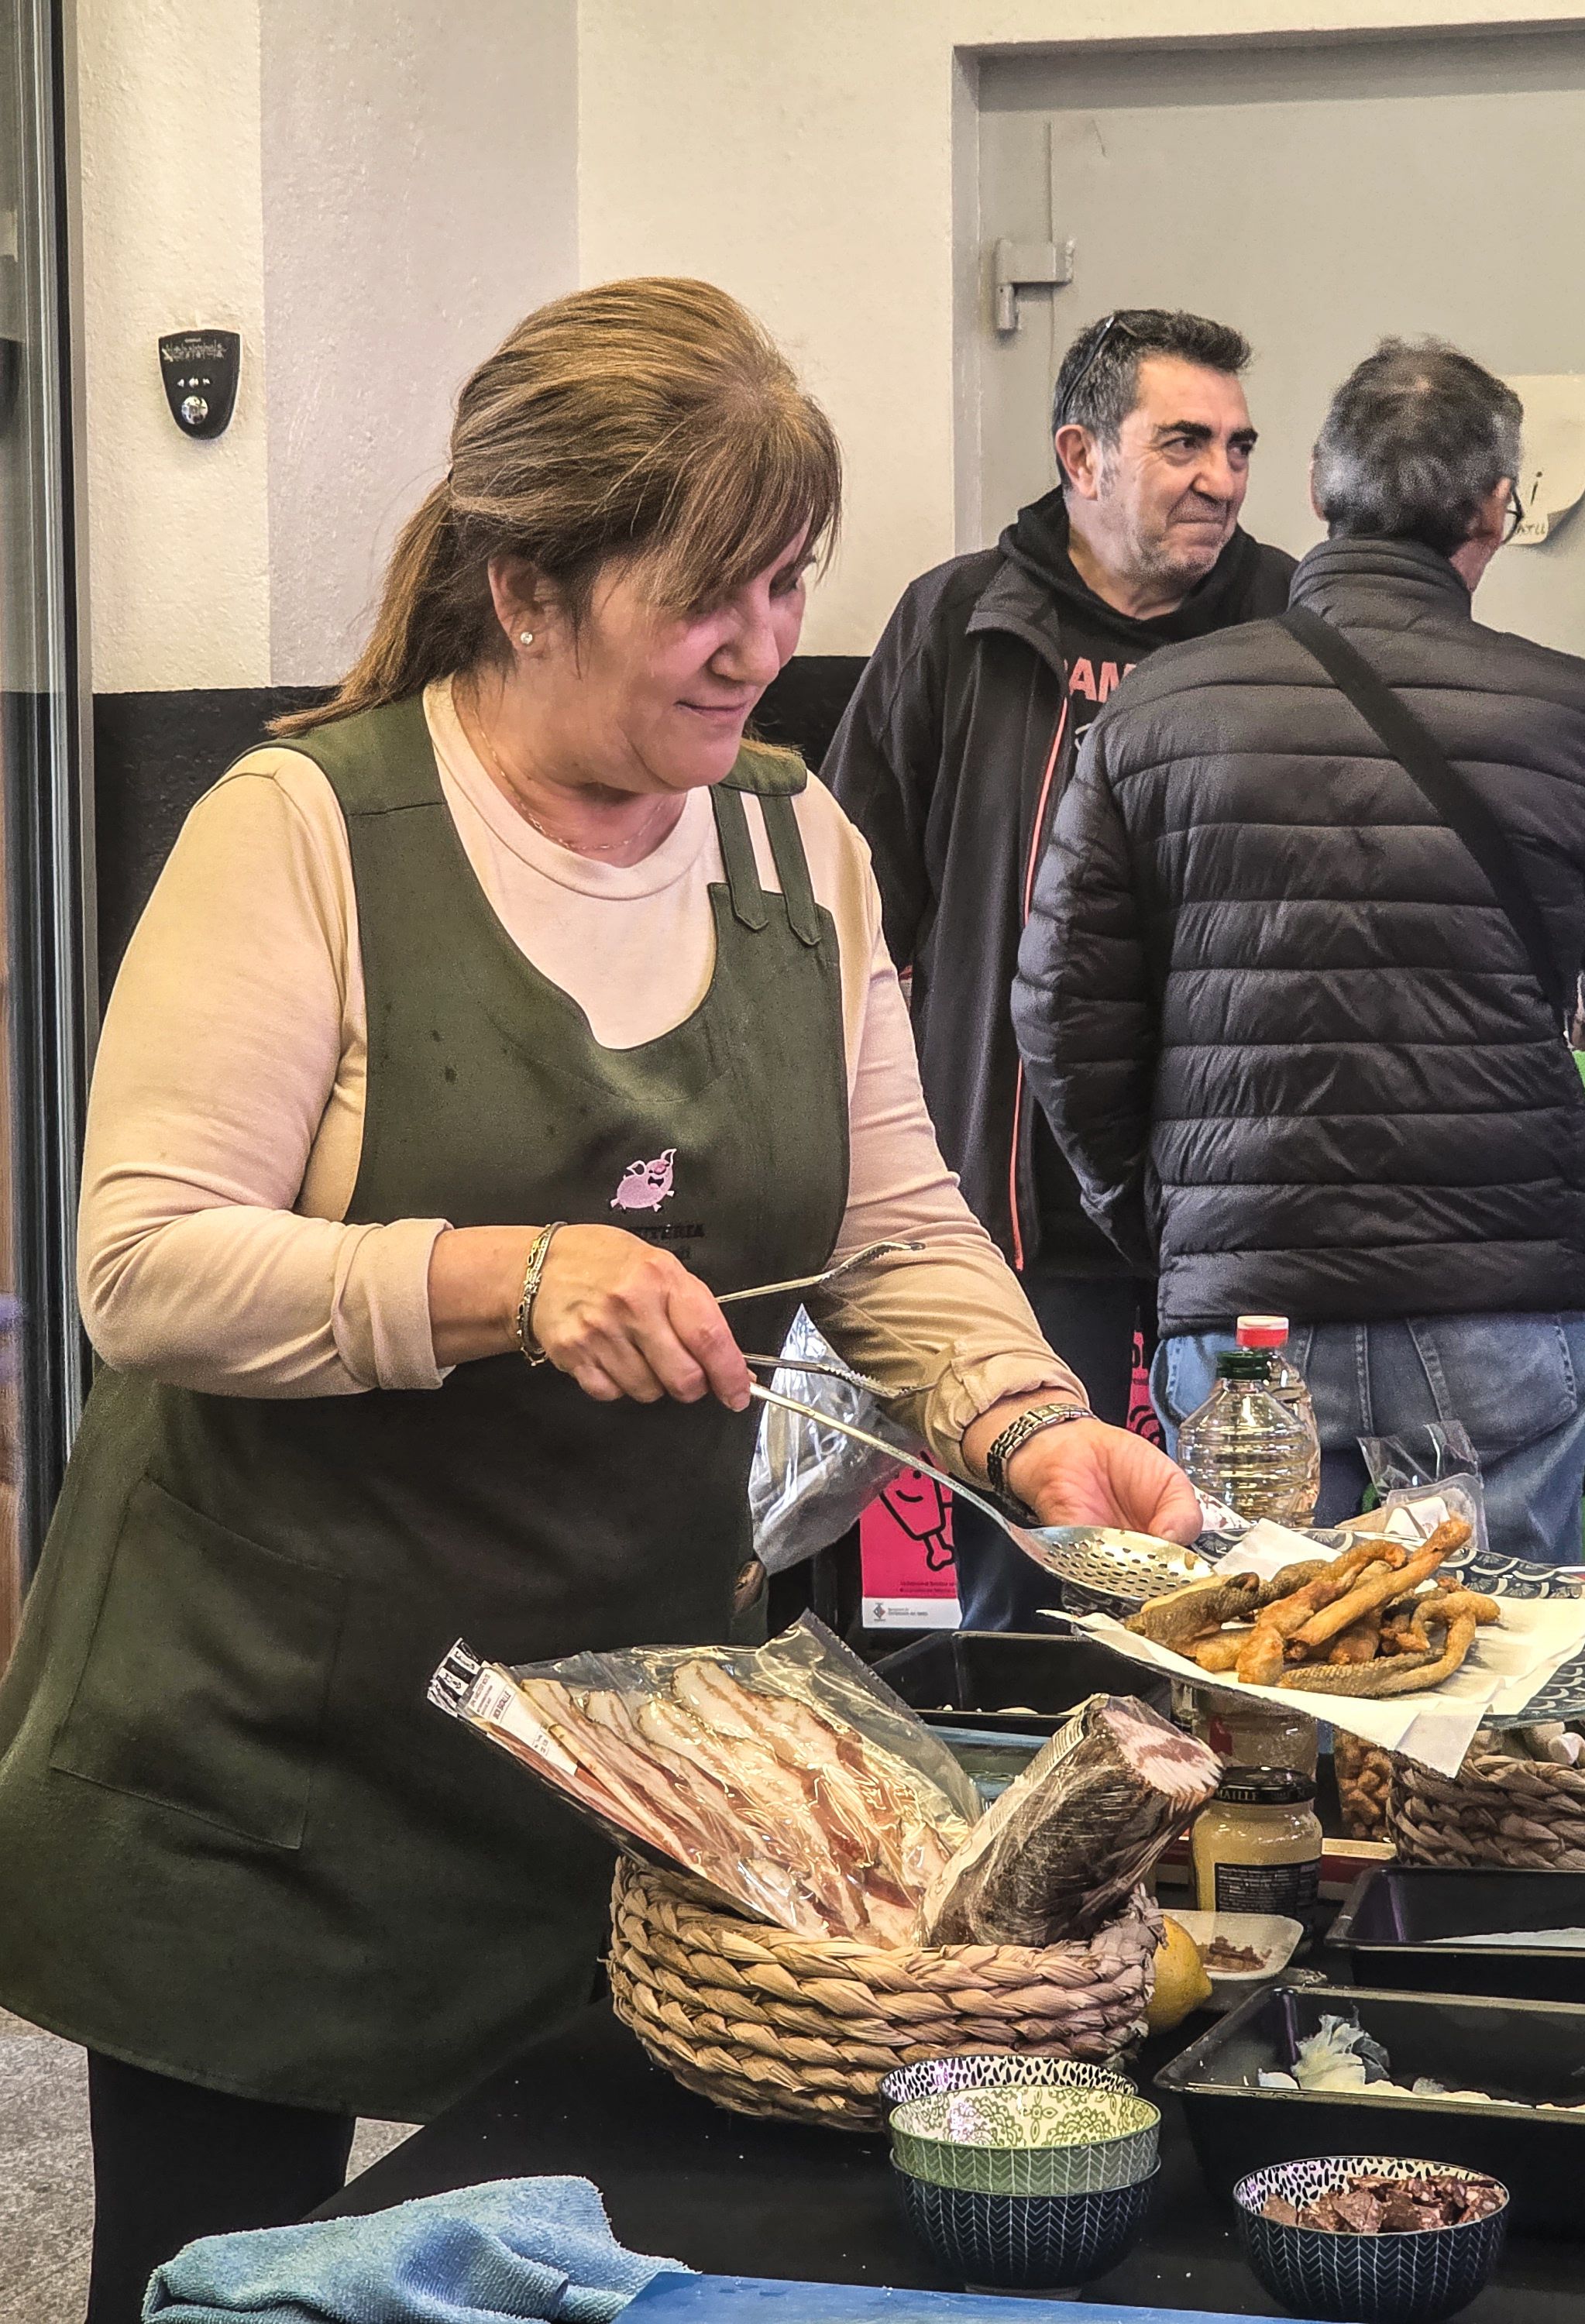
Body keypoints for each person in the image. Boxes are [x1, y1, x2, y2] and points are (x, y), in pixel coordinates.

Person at [0, 278, 1195, 2322]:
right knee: (218, 2290)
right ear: (522, 583)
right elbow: (144, 1266)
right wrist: (502, 1278)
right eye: (702, 595)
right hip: (264, 1756)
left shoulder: (785, 835)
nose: (758, 647)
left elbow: (892, 1221)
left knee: (606, 2271)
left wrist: (1024, 1421)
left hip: (622, 1753)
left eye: (787, 583)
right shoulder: (303, 831)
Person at [1014, 337, 1585, 1555]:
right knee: (1488, 1699)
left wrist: (1165, 1212)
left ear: (1314, 490)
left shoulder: (1152, 714)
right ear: (1494, 507)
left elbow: (1061, 1016)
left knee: (1261, 1686)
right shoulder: (1572, 711)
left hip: (1243, 1317)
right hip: (1492, 1301)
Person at [825, 308, 1294, 1628]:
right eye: (1184, 442)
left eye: (1240, 446)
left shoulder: (1287, 624)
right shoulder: (960, 621)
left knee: (1246, 1572)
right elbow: (859, 895)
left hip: (1228, 1192)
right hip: (1010, 1191)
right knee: (1035, 1571)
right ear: (1081, 453)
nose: (1222, 477)